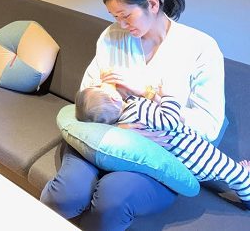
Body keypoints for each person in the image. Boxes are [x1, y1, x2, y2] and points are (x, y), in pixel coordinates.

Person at [40, 0, 225, 231]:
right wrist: (116, 119)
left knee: (111, 202)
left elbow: (209, 126)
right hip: (103, 134)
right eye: (115, 17)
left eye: (126, 16)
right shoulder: (112, 36)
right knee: (66, 195)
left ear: (152, 4)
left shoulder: (201, 48)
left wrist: (149, 94)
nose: (121, 25)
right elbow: (87, 93)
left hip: (160, 152)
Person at [75, 83, 250, 208]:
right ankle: (247, 194)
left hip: (185, 158)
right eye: (100, 86)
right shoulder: (137, 110)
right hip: (193, 152)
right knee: (234, 173)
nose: (102, 83)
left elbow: (150, 114)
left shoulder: (124, 122)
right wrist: (169, 97)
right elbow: (170, 120)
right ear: (114, 98)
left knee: (224, 169)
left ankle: (236, 174)